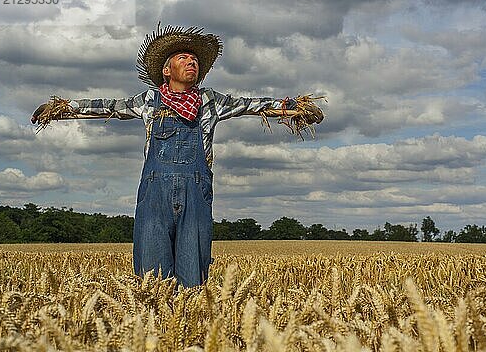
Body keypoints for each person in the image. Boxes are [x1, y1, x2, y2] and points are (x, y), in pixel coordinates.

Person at [31, 24, 323, 287]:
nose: (191, 61)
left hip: (196, 192)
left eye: (194, 59)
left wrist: (295, 107)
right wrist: (62, 107)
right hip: (154, 193)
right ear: (167, 71)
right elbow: (108, 106)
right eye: (183, 58)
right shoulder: (148, 101)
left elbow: (253, 105)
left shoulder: (210, 101)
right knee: (152, 277)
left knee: (193, 275)